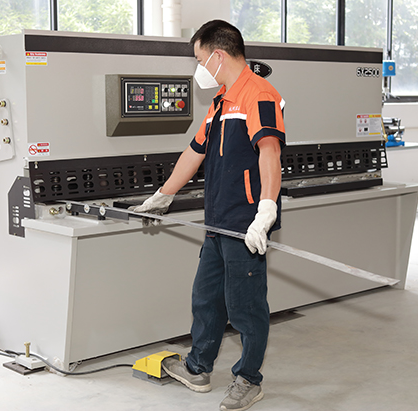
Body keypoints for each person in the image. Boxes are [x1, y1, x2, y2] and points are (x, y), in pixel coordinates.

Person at [130, 19, 285, 411]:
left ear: (217, 55)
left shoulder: (259, 94)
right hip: (217, 220)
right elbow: (194, 152)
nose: (199, 67)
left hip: (245, 222)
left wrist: (266, 210)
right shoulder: (220, 101)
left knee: (246, 307)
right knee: (206, 298)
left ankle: (249, 379)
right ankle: (198, 367)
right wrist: (162, 195)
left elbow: (269, 151)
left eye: (200, 59)